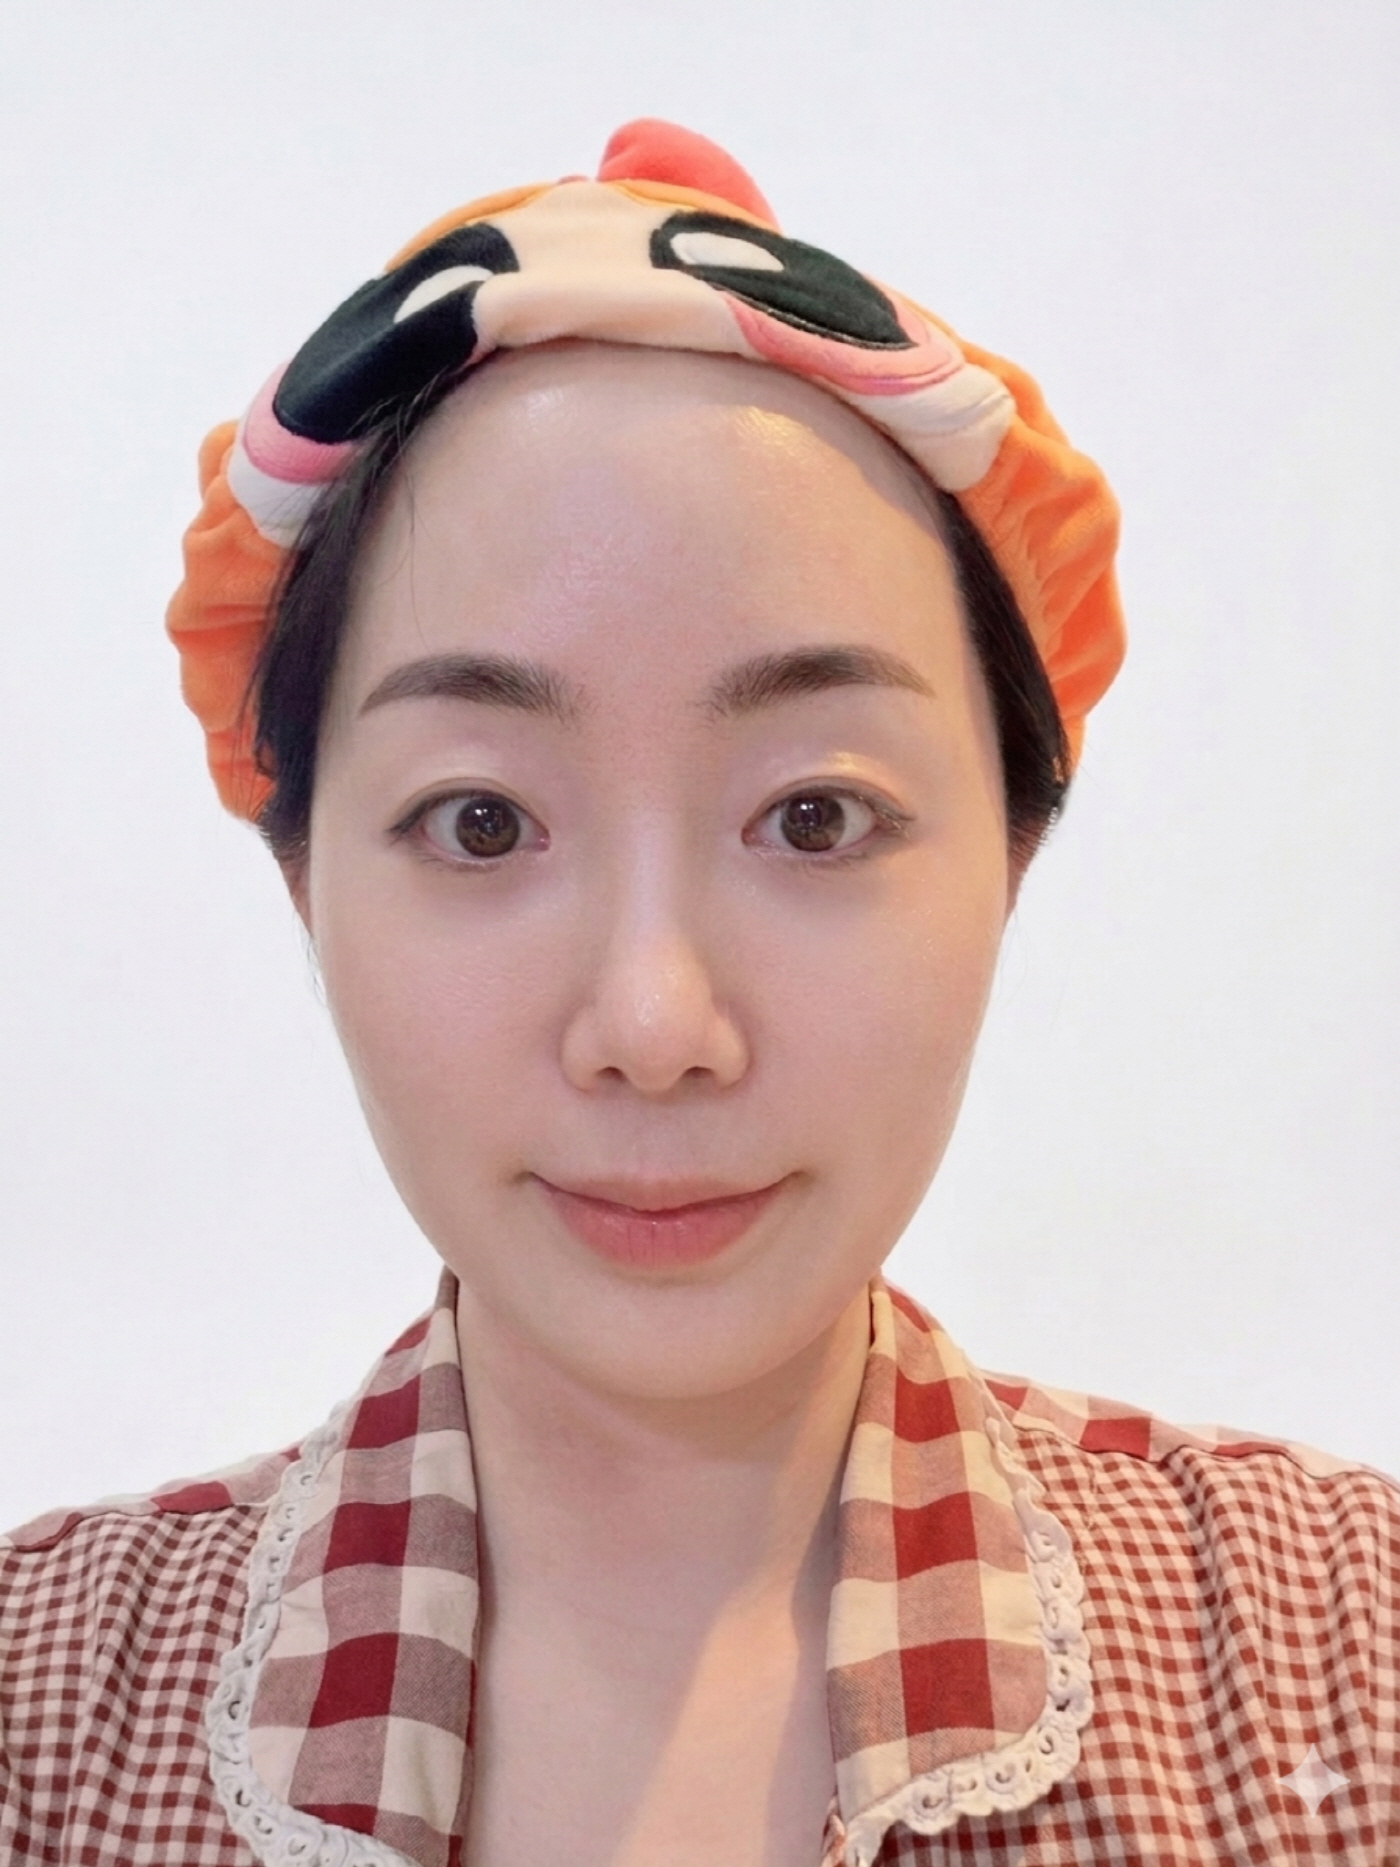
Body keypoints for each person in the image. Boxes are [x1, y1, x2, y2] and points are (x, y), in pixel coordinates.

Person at [1, 118, 1395, 1867]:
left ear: (1012, 856)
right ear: (304, 881)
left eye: (816, 817)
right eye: (480, 820)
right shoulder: (40, 1719)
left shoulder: (1347, 1666)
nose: (654, 1028)